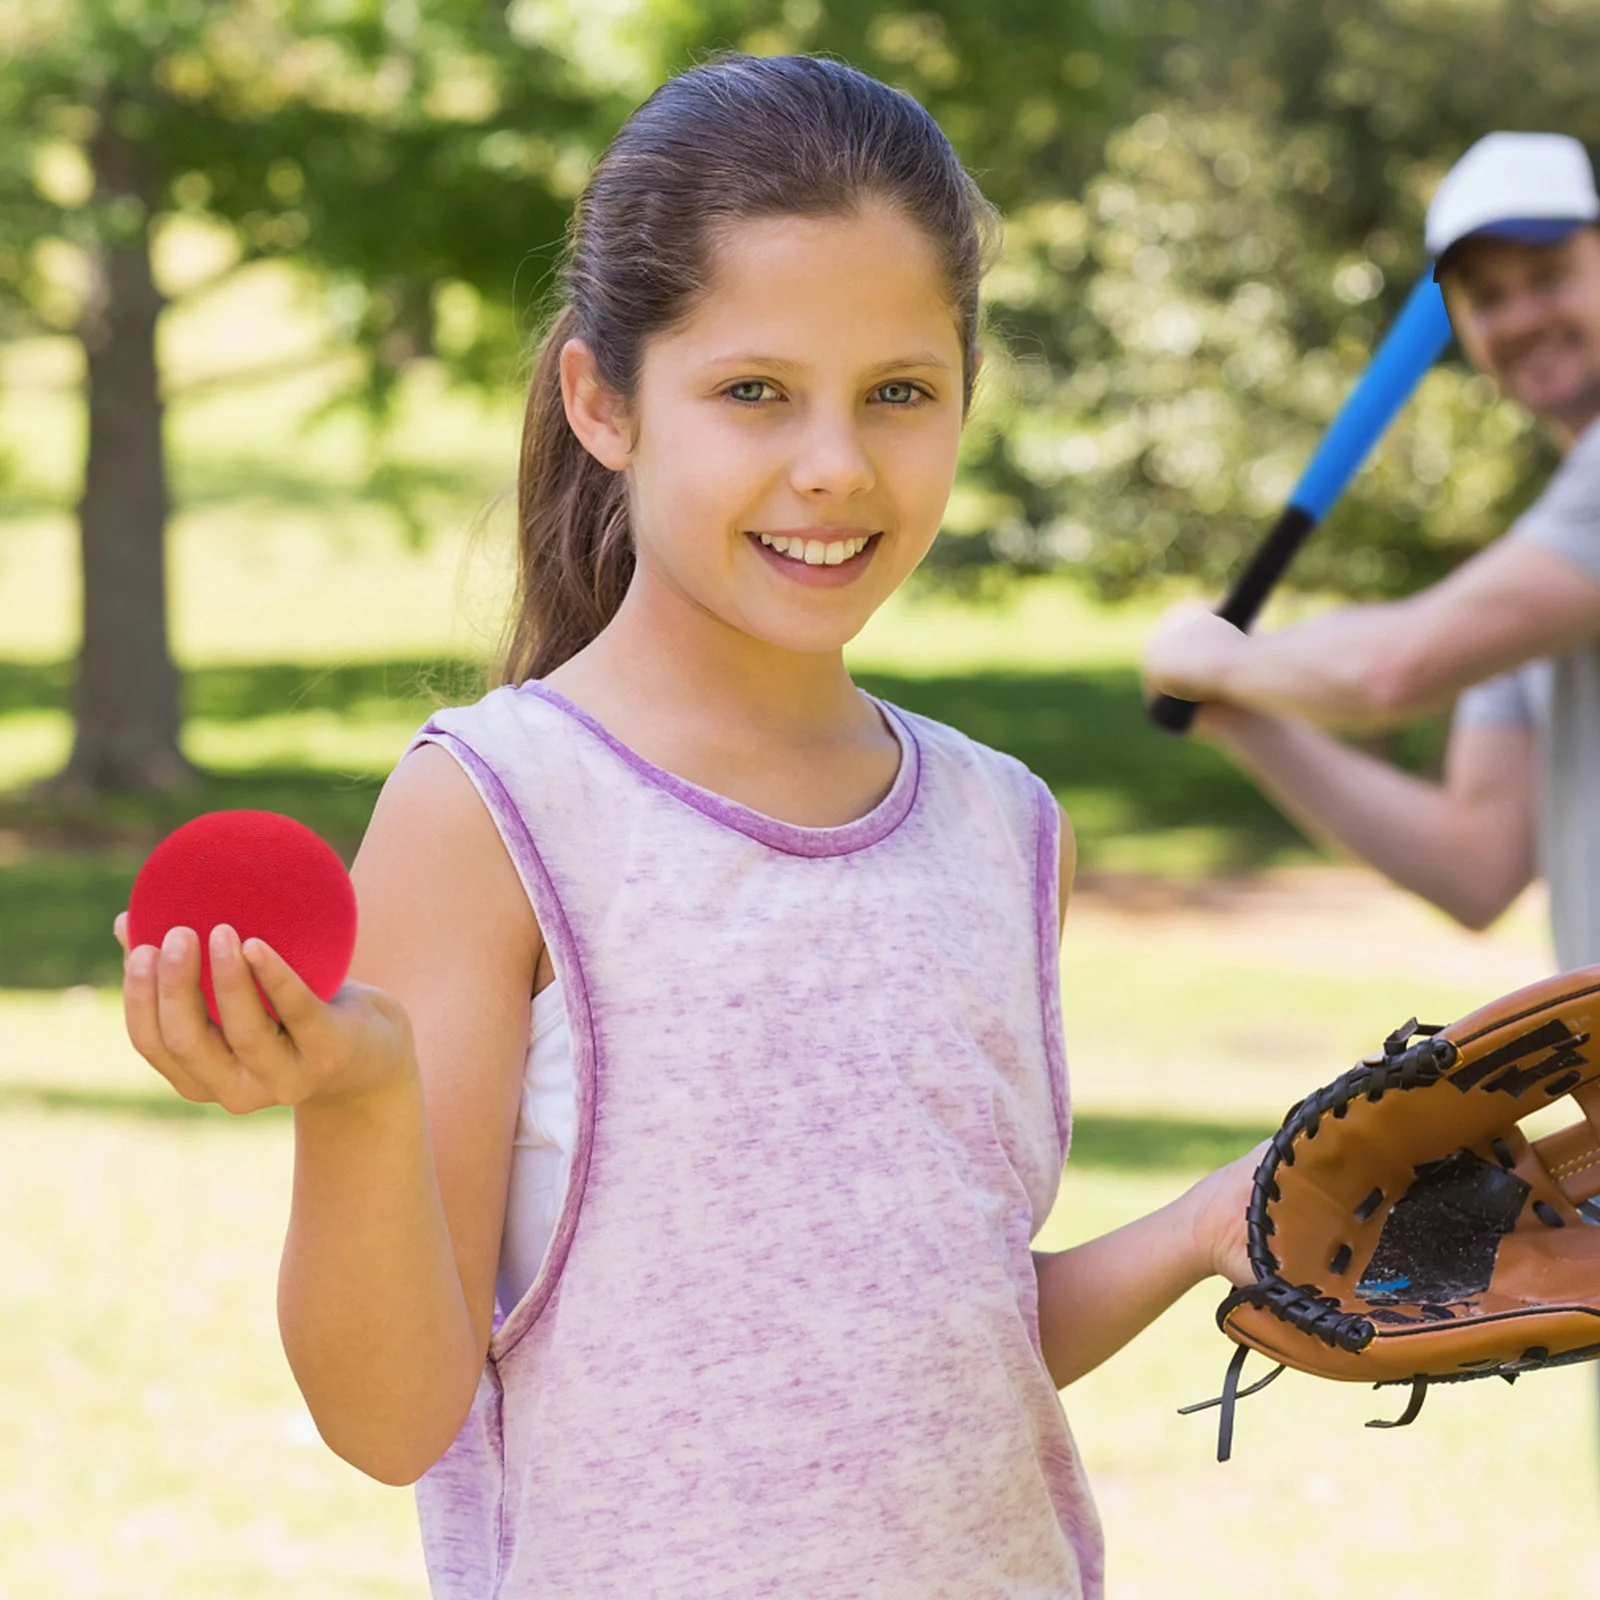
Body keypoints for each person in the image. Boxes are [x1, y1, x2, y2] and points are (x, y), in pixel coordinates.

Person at [113, 55, 1255, 1600]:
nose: (836, 464)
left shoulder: (1004, 825)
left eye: (900, 393)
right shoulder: (497, 809)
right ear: (605, 401)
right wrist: (363, 1097)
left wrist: (1198, 1228)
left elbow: (936, 1347)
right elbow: (390, 1421)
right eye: (754, 392)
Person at [1144, 131, 1600, 976]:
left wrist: (1215, 656)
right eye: (1487, 295)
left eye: (1549, 277)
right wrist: (1244, 714)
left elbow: (1392, 671)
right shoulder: (1538, 575)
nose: (1523, 316)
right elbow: (1476, 868)